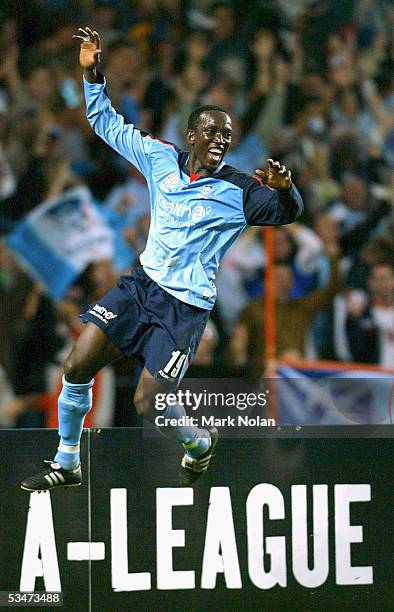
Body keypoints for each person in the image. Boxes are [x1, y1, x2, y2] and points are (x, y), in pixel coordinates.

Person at [21, 26, 303, 491]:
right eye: (212, 131)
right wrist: (93, 76)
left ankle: (198, 443)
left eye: (227, 135)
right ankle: (67, 461)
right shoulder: (160, 158)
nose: (220, 140)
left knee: (147, 403)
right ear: (191, 134)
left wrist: (287, 189)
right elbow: (106, 124)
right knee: (76, 365)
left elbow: (286, 214)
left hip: (184, 309)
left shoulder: (241, 190)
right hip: (142, 286)